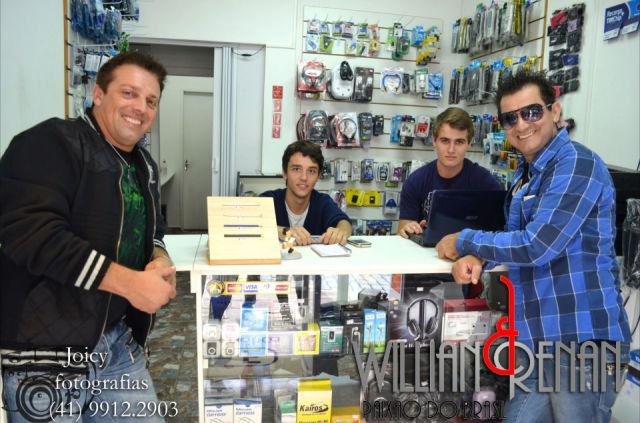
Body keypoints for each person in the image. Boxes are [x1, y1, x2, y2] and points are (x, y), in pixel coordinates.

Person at [435, 71, 631, 422]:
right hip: (537, 342)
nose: (522, 124)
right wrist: (478, 254)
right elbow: (516, 235)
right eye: (511, 118)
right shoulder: (527, 174)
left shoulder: (577, 164)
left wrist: (464, 239)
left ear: (555, 111)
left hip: (581, 343)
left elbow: (537, 245)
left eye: (532, 112)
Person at [0, 52, 177, 422]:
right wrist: (130, 284)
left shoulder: (143, 165)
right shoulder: (51, 142)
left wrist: (159, 257)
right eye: (128, 93)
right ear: (98, 94)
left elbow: (153, 231)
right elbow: (34, 236)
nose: (140, 108)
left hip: (115, 343)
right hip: (45, 355)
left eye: (151, 101)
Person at [397, 107, 501, 238]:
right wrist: (410, 231)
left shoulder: (486, 183)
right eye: (445, 141)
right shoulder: (415, 182)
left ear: (469, 144)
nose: (451, 150)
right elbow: (403, 234)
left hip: (468, 250)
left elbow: (497, 235)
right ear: (434, 141)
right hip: (425, 250)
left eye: (459, 142)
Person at [261, 141, 352, 245]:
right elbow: (250, 224)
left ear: (318, 176)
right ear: (285, 173)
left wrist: (340, 232)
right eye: (296, 169)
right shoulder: (268, 200)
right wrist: (282, 231)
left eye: (311, 171)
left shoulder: (322, 202)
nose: (304, 177)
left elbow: (344, 223)